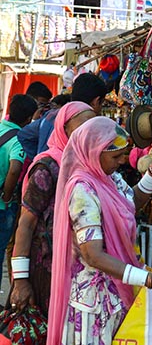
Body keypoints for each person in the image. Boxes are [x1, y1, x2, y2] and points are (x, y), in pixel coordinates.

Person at [47, 117, 152, 345]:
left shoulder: (108, 178)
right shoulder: (83, 190)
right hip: (94, 305)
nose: (123, 161)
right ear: (94, 151)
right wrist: (150, 280)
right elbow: (93, 255)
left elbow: (129, 202)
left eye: (124, 154)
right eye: (116, 156)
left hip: (117, 292)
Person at [9, 102, 96, 320]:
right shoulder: (48, 168)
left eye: (92, 126)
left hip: (77, 273)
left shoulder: (89, 165)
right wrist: (20, 280)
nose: (88, 133)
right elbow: (26, 224)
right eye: (82, 126)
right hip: (46, 271)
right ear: (64, 128)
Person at [17, 73, 106, 162]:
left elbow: (24, 135)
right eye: (101, 103)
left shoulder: (52, 115)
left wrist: (39, 156)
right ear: (96, 101)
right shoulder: (86, 123)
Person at [0, 94, 38, 288]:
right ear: (28, 119)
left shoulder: (0, 127)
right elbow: (15, 168)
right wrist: (7, 196)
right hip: (2, 206)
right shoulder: (18, 139)